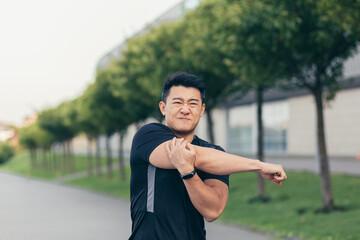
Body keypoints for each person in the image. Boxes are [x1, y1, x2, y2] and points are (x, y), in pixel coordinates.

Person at [129, 72, 287, 240]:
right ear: (163, 107)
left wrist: (188, 172)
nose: (185, 109)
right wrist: (259, 166)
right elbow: (195, 156)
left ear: (202, 109)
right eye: (177, 102)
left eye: (193, 103)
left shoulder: (216, 154)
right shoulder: (148, 136)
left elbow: (212, 211)